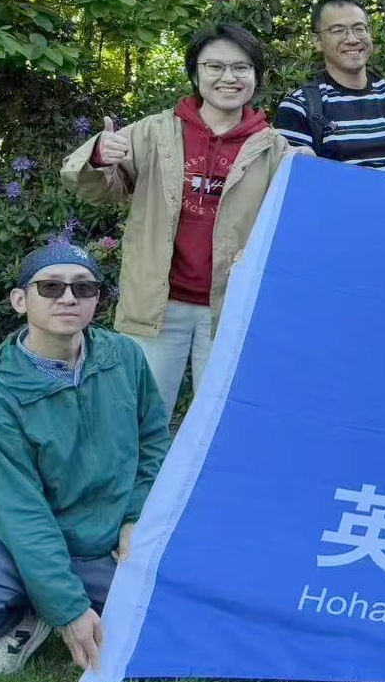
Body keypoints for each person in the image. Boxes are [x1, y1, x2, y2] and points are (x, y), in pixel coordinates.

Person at [0, 244, 171, 682]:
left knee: (195, 602)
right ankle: (29, 616)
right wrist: (69, 610)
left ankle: (48, 603)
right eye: (50, 287)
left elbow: (154, 442)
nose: (68, 298)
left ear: (96, 299)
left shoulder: (125, 357)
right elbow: (21, 516)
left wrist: (135, 516)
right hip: (24, 548)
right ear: (20, 300)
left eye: (83, 287)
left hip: (112, 546)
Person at [63, 24, 297, 415]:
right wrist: (100, 156)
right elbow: (100, 190)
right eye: (214, 66)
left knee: (221, 419)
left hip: (231, 308)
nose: (228, 77)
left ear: (256, 76)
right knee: (141, 418)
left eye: (241, 68)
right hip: (157, 306)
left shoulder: (274, 148)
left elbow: (296, 226)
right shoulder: (154, 131)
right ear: (195, 73)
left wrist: (307, 177)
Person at [273, 0, 385, 167]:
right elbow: (294, 176)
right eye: (338, 31)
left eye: (360, 29)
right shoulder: (300, 106)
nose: (352, 39)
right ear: (317, 41)